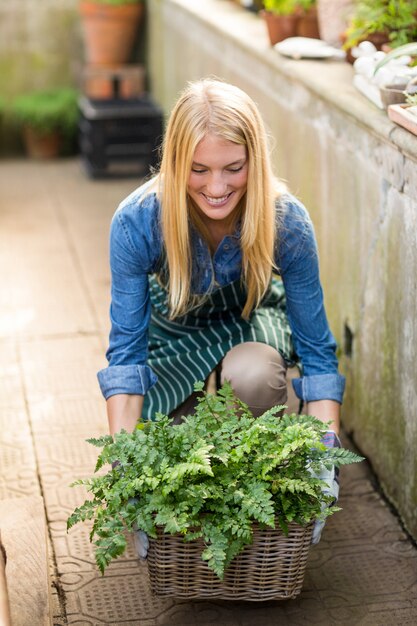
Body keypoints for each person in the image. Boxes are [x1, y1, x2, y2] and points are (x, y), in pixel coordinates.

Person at [97, 78, 345, 543]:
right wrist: (125, 466)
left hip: (249, 324)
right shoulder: (137, 222)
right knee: (178, 455)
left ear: (255, 159)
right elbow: (126, 356)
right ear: (174, 162)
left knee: (254, 377)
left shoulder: (286, 220)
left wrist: (324, 457)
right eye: (198, 169)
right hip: (171, 335)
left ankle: (256, 471)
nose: (216, 187)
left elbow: (316, 350)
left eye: (233, 168)